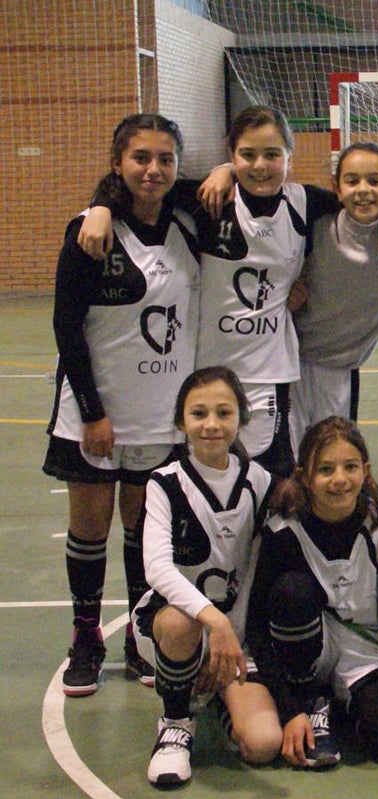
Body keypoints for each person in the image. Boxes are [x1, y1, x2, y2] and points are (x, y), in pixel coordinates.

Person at [79, 106, 378, 477]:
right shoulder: (210, 199)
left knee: (272, 481)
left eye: (272, 155)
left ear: (290, 156)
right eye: (247, 155)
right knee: (208, 477)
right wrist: (100, 208)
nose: (259, 166)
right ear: (231, 155)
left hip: (269, 373)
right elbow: (139, 186)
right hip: (207, 370)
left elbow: (362, 196)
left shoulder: (305, 202)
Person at [43, 113, 199, 696]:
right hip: (95, 411)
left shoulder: (188, 225)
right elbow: (66, 325)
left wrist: (231, 165)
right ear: (118, 163)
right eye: (140, 158)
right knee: (89, 528)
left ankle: (138, 634)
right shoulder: (90, 229)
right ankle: (86, 637)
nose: (152, 169)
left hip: (161, 414)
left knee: (143, 532)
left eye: (165, 158)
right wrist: (92, 411)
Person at [246, 416, 378, 768]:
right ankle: (311, 704)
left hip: (366, 648)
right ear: (304, 477)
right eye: (325, 469)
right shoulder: (283, 533)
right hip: (307, 649)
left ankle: (340, 704)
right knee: (292, 592)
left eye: (350, 467)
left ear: (366, 471)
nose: (339, 479)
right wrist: (290, 708)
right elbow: (256, 628)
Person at [134, 366, 280, 786]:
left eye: (223, 412)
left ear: (241, 418)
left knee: (263, 744)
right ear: (181, 422)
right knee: (181, 623)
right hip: (181, 623)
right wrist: (212, 620)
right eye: (199, 414)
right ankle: (176, 721)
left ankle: (218, 694)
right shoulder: (164, 484)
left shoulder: (261, 482)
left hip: (235, 636)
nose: (211, 425)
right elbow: (157, 568)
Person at [290, 142, 378, 452]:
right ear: (336, 188)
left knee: (331, 456)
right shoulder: (315, 226)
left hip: (340, 370)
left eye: (375, 181)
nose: (363, 190)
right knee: (288, 461)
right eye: (352, 180)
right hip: (287, 363)